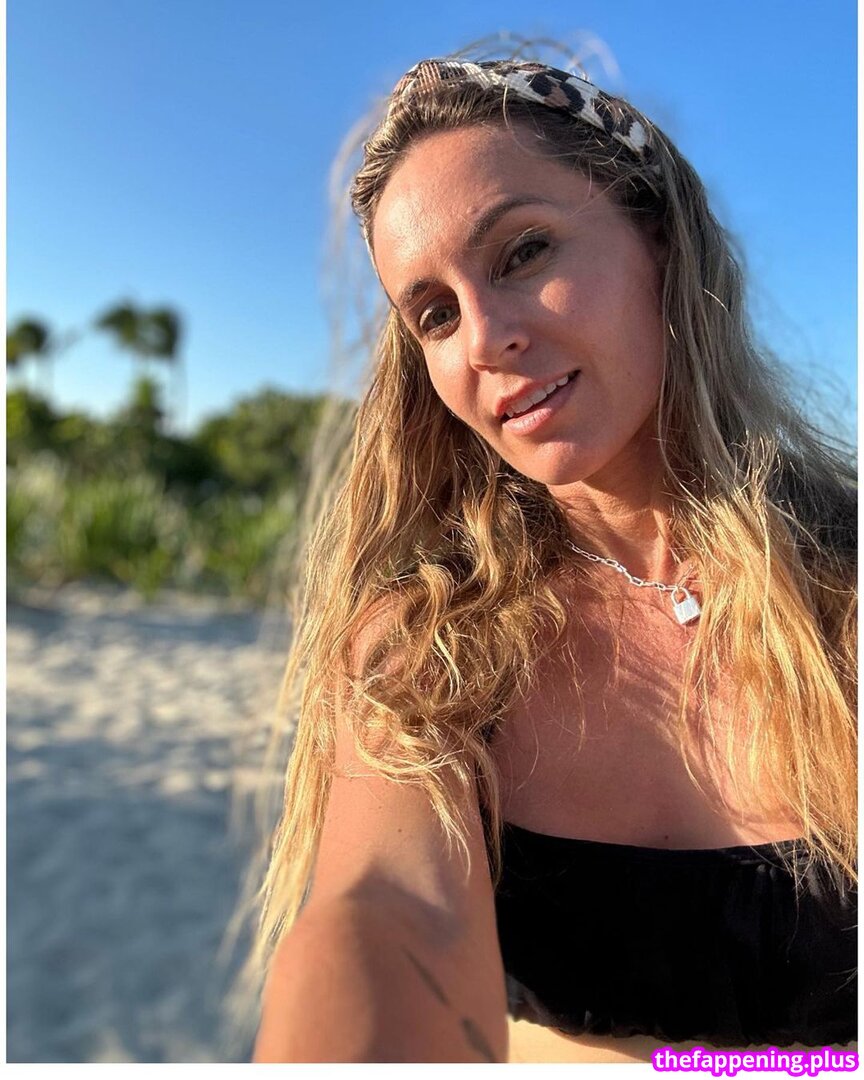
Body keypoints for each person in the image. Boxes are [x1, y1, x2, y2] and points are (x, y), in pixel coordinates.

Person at [249, 51, 857, 1063]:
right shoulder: (427, 648)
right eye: (435, 314)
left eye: (524, 251)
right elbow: (387, 919)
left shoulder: (844, 595)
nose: (485, 337)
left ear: (657, 239)